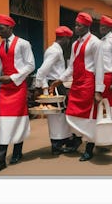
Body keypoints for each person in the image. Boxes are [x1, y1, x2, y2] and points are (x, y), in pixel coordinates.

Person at [50, 12, 105, 161]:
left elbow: (100, 67)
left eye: (79, 25)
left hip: (88, 83)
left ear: (87, 26)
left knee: (88, 117)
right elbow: (72, 67)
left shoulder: (95, 42)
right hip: (77, 82)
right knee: (72, 113)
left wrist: (98, 90)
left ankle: (89, 148)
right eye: (76, 25)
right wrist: (60, 80)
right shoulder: (75, 44)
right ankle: (77, 139)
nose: (76, 28)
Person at [0, 14, 35, 173]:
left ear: (10, 28)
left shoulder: (23, 44)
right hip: (5, 90)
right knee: (4, 122)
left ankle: (17, 152)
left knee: (18, 120)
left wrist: (12, 78)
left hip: (18, 88)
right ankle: (0, 159)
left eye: (1, 28)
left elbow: (31, 65)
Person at [35, 26, 75, 155]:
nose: (68, 42)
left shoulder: (54, 49)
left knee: (61, 114)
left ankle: (63, 140)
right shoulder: (55, 52)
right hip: (55, 86)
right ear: (63, 38)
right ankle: (56, 145)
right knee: (57, 116)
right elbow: (42, 71)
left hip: (57, 85)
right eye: (68, 39)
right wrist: (41, 88)